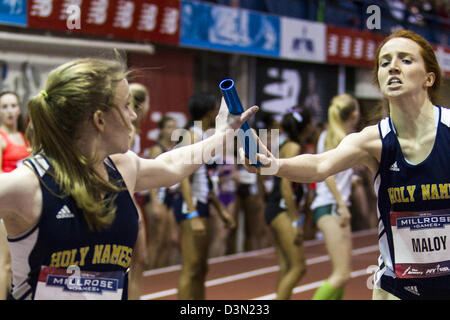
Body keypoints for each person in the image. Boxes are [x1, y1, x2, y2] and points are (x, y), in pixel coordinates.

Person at [0, 58, 257, 300]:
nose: (134, 115)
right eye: (126, 106)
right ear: (99, 120)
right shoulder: (29, 184)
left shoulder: (123, 168)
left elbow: (172, 164)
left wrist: (222, 134)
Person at [245, 29, 449, 300]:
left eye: (406, 60)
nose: (393, 67)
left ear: (429, 77)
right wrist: (272, 164)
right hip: (397, 289)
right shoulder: (372, 140)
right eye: (385, 62)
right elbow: (320, 165)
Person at [174, 92, 235, 300]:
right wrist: (192, 214)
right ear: (209, 112)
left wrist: (220, 210)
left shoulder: (204, 137)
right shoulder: (191, 135)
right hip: (190, 206)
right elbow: (183, 177)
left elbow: (206, 178)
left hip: (202, 203)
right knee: (191, 267)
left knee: (201, 267)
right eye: (217, 108)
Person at [310, 94, 360, 300]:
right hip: (331, 206)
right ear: (354, 114)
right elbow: (327, 174)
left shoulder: (332, 135)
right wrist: (342, 204)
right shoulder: (337, 137)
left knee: (344, 274)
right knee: (340, 274)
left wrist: (350, 182)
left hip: (332, 204)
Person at [264, 109, 311, 299]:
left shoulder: (285, 145)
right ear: (306, 128)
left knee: (286, 267)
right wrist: (295, 221)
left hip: (275, 208)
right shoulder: (293, 147)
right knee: (299, 267)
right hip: (282, 209)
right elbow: (286, 187)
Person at [0, 91, 30, 300]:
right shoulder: (0, 138)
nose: (9, 111)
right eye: (4, 107)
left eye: (13, 106)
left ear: (20, 109)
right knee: (5, 263)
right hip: (5, 207)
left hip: (24, 205)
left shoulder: (23, 136)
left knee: (21, 261)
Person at [145, 116, 180, 268]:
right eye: (168, 127)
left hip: (172, 196)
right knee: (157, 240)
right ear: (161, 130)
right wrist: (155, 202)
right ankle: (151, 273)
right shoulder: (157, 149)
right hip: (158, 196)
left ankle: (163, 274)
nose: (172, 130)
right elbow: (151, 176)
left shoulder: (177, 149)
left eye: (174, 126)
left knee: (170, 240)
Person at [127, 83, 150, 300]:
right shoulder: (130, 132)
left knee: (139, 260)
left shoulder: (134, 131)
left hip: (130, 198)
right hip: (126, 199)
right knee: (137, 261)